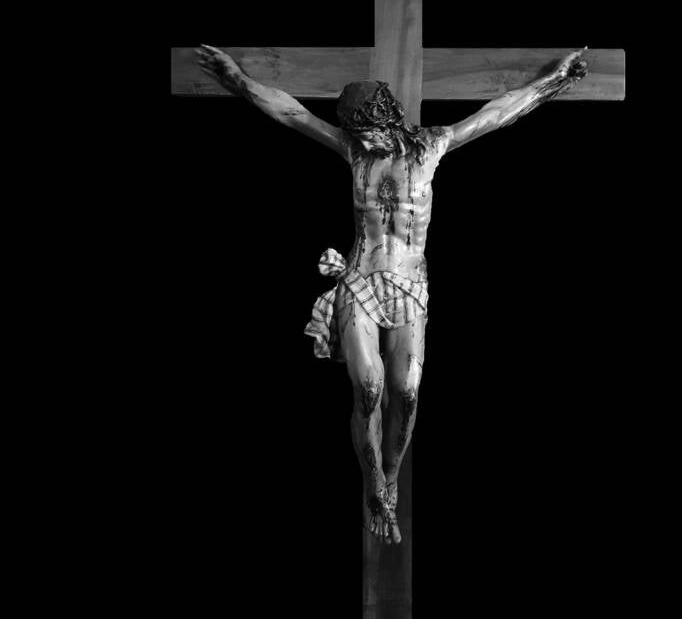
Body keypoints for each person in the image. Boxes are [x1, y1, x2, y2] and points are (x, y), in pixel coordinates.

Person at [195, 44, 588, 545]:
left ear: (388, 120)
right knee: (369, 388)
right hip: (361, 279)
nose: (364, 142)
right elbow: (290, 111)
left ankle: (392, 475)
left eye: (370, 132)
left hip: (409, 286)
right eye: (357, 135)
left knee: (406, 391)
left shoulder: (432, 146)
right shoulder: (354, 151)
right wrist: (235, 77)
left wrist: (555, 80)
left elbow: (497, 112)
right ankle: (373, 484)